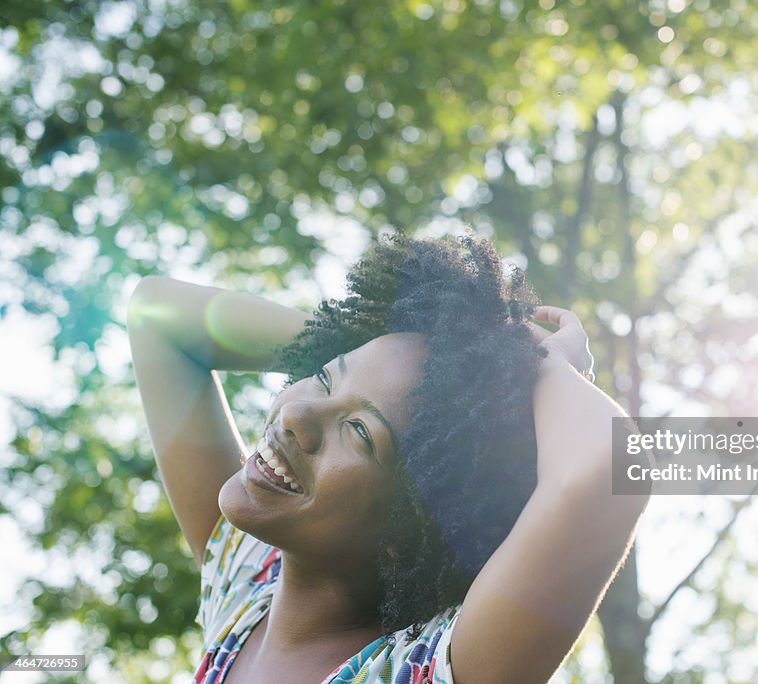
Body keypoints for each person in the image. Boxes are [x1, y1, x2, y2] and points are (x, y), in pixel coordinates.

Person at [127, 234, 651, 683]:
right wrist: (363, 339)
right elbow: (157, 316)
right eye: (326, 374)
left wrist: (544, 364)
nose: (296, 416)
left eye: (359, 431)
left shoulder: (423, 667)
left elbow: (607, 471)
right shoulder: (243, 589)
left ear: (411, 529)